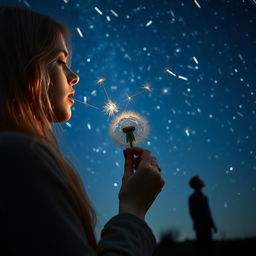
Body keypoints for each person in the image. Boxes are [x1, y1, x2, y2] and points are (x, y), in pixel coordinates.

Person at [0, 6, 165, 255]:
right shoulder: (18, 155)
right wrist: (133, 210)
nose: (74, 76)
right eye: (60, 61)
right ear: (23, 68)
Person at [188, 176, 217, 256]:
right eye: (199, 180)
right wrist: (198, 224)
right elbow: (193, 213)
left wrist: (212, 224)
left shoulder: (204, 197)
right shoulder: (193, 197)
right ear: (196, 184)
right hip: (200, 226)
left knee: (209, 247)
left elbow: (208, 212)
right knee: (200, 248)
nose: (202, 181)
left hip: (207, 225)